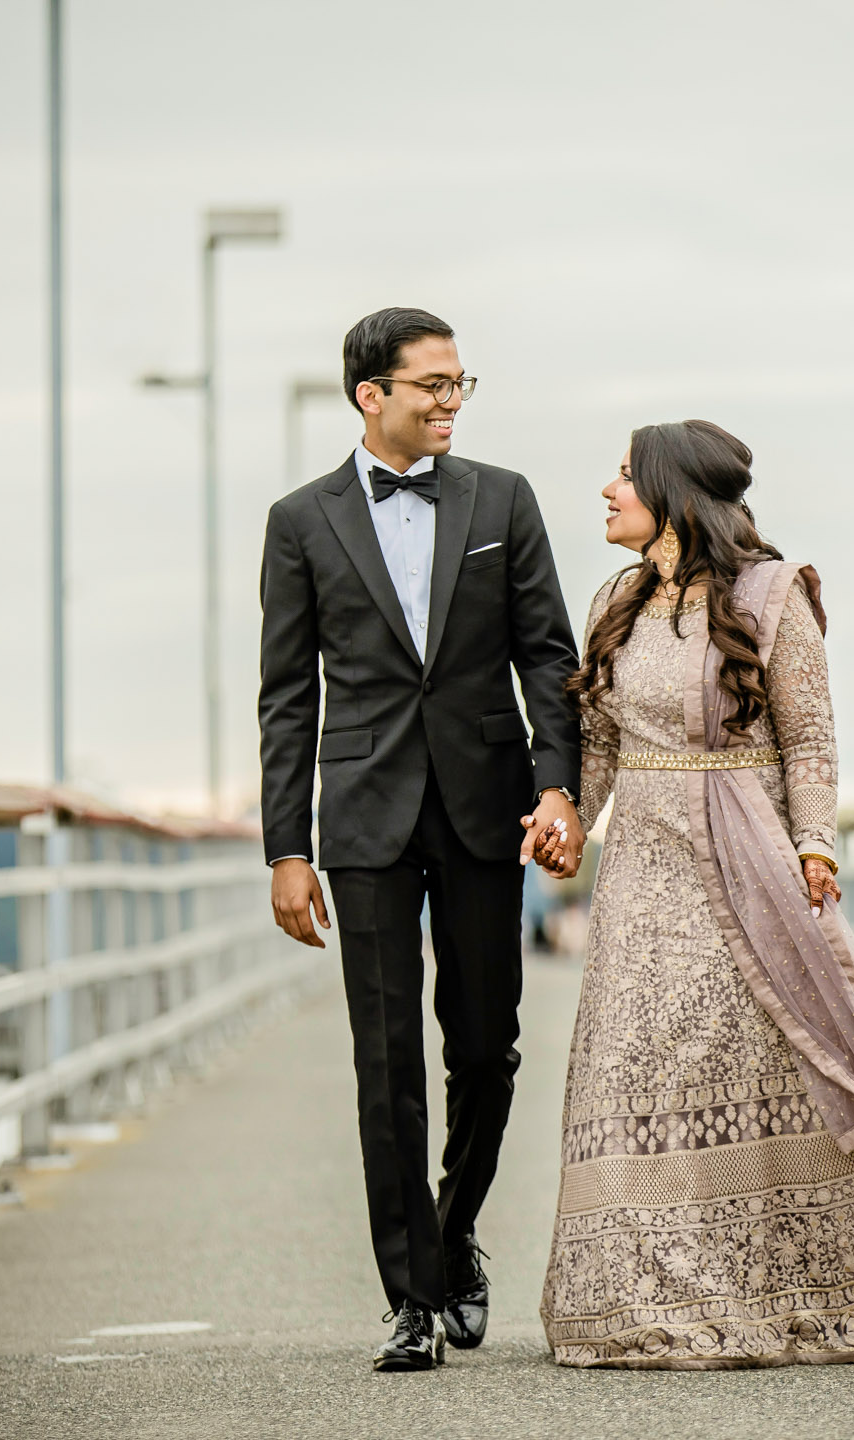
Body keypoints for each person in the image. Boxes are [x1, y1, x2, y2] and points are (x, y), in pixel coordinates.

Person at [534, 420, 854, 1368]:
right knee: (635, 1063)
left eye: (624, 476)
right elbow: (600, 748)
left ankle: (815, 1287)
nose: (605, 491)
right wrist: (568, 822)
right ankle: (641, 1297)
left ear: (672, 494)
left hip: (746, 854)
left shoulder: (771, 597)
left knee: (753, 1051)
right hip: (642, 875)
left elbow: (812, 739)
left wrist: (815, 845)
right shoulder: (614, 602)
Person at [258, 307, 585, 1373]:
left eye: (460, 384)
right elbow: (285, 699)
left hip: (489, 804)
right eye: (431, 385)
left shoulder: (504, 498)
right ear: (371, 396)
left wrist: (558, 787)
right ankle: (408, 1298)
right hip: (363, 817)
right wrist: (286, 846)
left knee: (485, 1048)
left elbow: (547, 655)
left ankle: (453, 1236)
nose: (451, 401)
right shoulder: (299, 522)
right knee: (385, 1057)